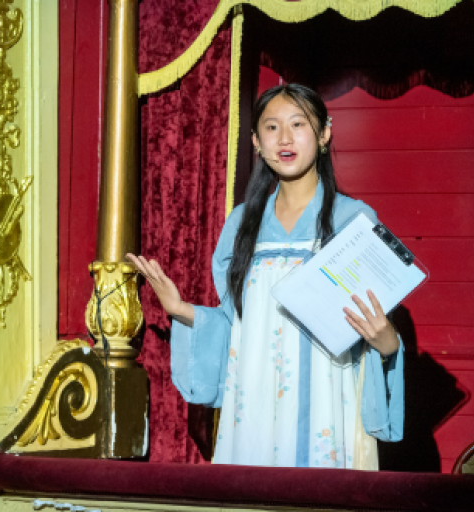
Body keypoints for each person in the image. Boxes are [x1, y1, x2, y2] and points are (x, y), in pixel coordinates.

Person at [128, 84, 403, 469]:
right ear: (256, 141)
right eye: (272, 127)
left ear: (324, 133)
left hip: (329, 399)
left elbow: (377, 326)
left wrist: (387, 341)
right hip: (255, 400)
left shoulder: (353, 220)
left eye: (298, 124)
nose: (285, 138)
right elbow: (236, 325)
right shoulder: (242, 223)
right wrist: (181, 309)